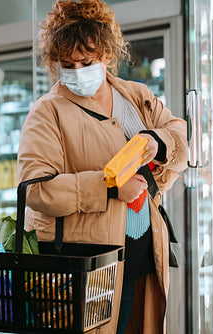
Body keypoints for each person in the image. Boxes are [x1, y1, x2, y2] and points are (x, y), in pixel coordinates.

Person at [17, 1, 187, 333]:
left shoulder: (136, 96)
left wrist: (158, 141)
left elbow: (179, 137)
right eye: (67, 63)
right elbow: (36, 189)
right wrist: (108, 187)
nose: (77, 71)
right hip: (88, 267)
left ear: (107, 55)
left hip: (143, 259)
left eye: (86, 61)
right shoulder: (47, 112)